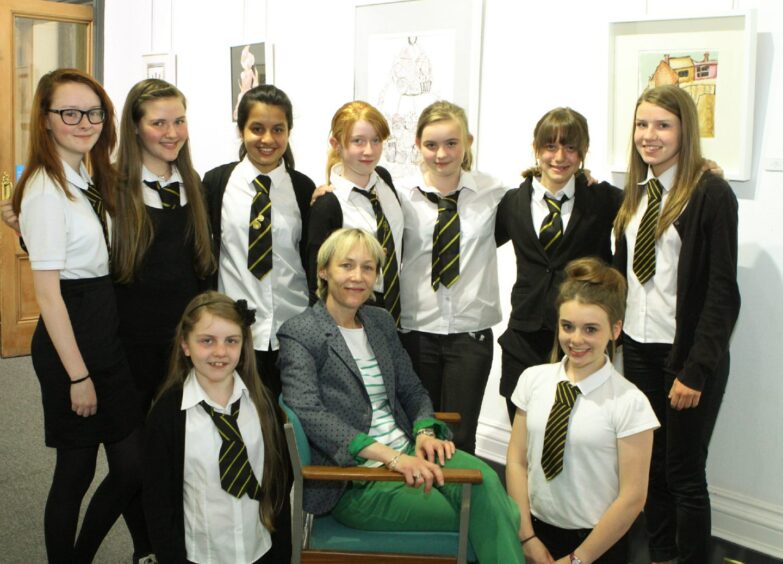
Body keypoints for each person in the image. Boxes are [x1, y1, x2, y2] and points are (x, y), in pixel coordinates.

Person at [278, 227, 524, 563]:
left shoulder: (379, 322)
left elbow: (412, 389)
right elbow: (308, 412)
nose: (358, 277)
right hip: (357, 479)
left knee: (488, 486)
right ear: (324, 271)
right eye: (346, 265)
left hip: (411, 449)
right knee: (496, 514)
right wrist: (391, 458)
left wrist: (423, 431)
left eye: (368, 268)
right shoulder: (300, 332)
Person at [11, 68, 151, 563]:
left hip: (102, 330)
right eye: (69, 112)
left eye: (93, 112)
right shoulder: (47, 187)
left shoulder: (89, 176)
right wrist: (79, 376)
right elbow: (48, 296)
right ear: (45, 120)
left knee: (131, 465)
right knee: (74, 471)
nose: (83, 122)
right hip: (72, 340)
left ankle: (79, 555)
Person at [613, 85, 740, 564]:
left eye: (663, 125)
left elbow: (722, 293)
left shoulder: (710, 194)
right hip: (640, 352)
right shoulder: (635, 194)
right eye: (642, 125)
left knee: (685, 472)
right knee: (652, 466)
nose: (650, 135)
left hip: (684, 357)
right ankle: (660, 555)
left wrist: (695, 369)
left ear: (686, 130)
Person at [506, 257, 659, 564]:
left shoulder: (630, 403)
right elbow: (517, 461)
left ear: (615, 329)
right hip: (535, 537)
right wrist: (527, 537)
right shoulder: (533, 380)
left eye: (590, 329)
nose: (576, 340)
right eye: (567, 326)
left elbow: (632, 497)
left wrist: (579, 558)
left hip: (597, 546)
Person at [495, 108, 623, 424]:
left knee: (576, 434)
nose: (560, 156)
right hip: (523, 338)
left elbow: (655, 203)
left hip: (581, 339)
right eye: (550, 147)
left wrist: (702, 170)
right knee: (523, 435)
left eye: (570, 147)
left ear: (583, 152)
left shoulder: (603, 199)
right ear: (537, 149)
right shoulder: (511, 203)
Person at [143, 291, 291, 563]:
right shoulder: (167, 416)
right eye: (207, 341)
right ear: (185, 345)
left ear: (243, 345)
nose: (220, 352)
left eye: (231, 341)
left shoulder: (263, 403)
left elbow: (279, 483)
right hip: (201, 555)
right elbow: (158, 503)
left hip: (259, 549)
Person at [396, 100, 506, 454]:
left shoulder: (495, 193)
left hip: (469, 337)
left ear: (468, 142)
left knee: (460, 438)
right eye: (431, 145)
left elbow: (542, 198)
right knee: (418, 432)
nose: (441, 154)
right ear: (418, 145)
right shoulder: (399, 196)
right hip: (416, 332)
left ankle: (460, 509)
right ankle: (420, 510)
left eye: (451, 143)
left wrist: (584, 181)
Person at [202, 84, 314, 400]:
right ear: (241, 130)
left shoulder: (304, 189)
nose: (267, 139)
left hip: (292, 332)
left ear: (289, 131)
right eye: (257, 129)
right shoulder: (216, 184)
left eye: (278, 129)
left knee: (287, 433)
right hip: (233, 333)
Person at [112, 78, 215, 410]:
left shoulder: (193, 183)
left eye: (179, 121)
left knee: (179, 442)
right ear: (136, 128)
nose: (172, 133)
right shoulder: (112, 187)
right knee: (134, 449)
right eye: (158, 123)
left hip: (184, 343)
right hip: (131, 345)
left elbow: (201, 265)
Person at [306, 100, 403, 325]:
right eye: (358, 141)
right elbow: (316, 280)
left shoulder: (384, 180)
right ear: (336, 144)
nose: (369, 151)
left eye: (376, 140)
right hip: (352, 313)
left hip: (395, 307)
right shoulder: (328, 204)